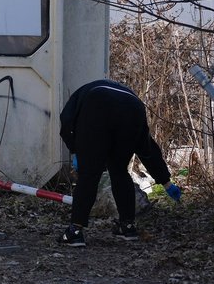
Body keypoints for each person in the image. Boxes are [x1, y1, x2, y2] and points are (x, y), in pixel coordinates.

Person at [58, 79, 182, 247]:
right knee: (119, 170)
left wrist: (75, 149)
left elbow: (65, 123)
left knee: (89, 173)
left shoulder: (81, 96)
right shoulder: (130, 98)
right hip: (134, 108)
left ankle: (75, 232)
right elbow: (146, 147)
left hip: (97, 103)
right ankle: (128, 227)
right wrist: (166, 182)